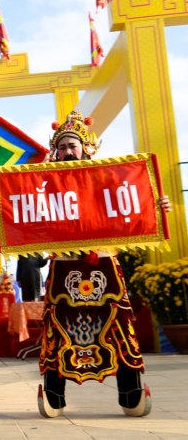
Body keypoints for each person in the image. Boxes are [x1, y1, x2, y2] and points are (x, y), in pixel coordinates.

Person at [38, 111, 171, 418]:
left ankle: (130, 391)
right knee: (59, 325)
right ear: (55, 152)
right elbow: (23, 209)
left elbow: (134, 203)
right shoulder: (42, 184)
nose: (68, 152)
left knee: (118, 324)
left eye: (73, 146)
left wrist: (157, 205)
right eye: (63, 147)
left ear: (87, 149)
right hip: (63, 264)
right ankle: (54, 393)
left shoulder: (109, 179)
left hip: (104, 263)